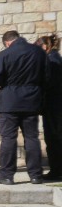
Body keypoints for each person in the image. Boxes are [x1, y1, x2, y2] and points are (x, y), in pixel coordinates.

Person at [0, 30, 45, 185]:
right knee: (32, 138)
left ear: (7, 42)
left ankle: (6, 175)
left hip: (9, 102)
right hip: (32, 100)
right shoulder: (38, 52)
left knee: (9, 138)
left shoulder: (5, 54)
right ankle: (35, 175)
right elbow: (48, 76)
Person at [35, 34, 62, 181]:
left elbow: (50, 83)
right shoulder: (54, 58)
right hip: (54, 105)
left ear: (44, 47)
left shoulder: (51, 60)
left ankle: (56, 170)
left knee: (53, 139)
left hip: (54, 106)